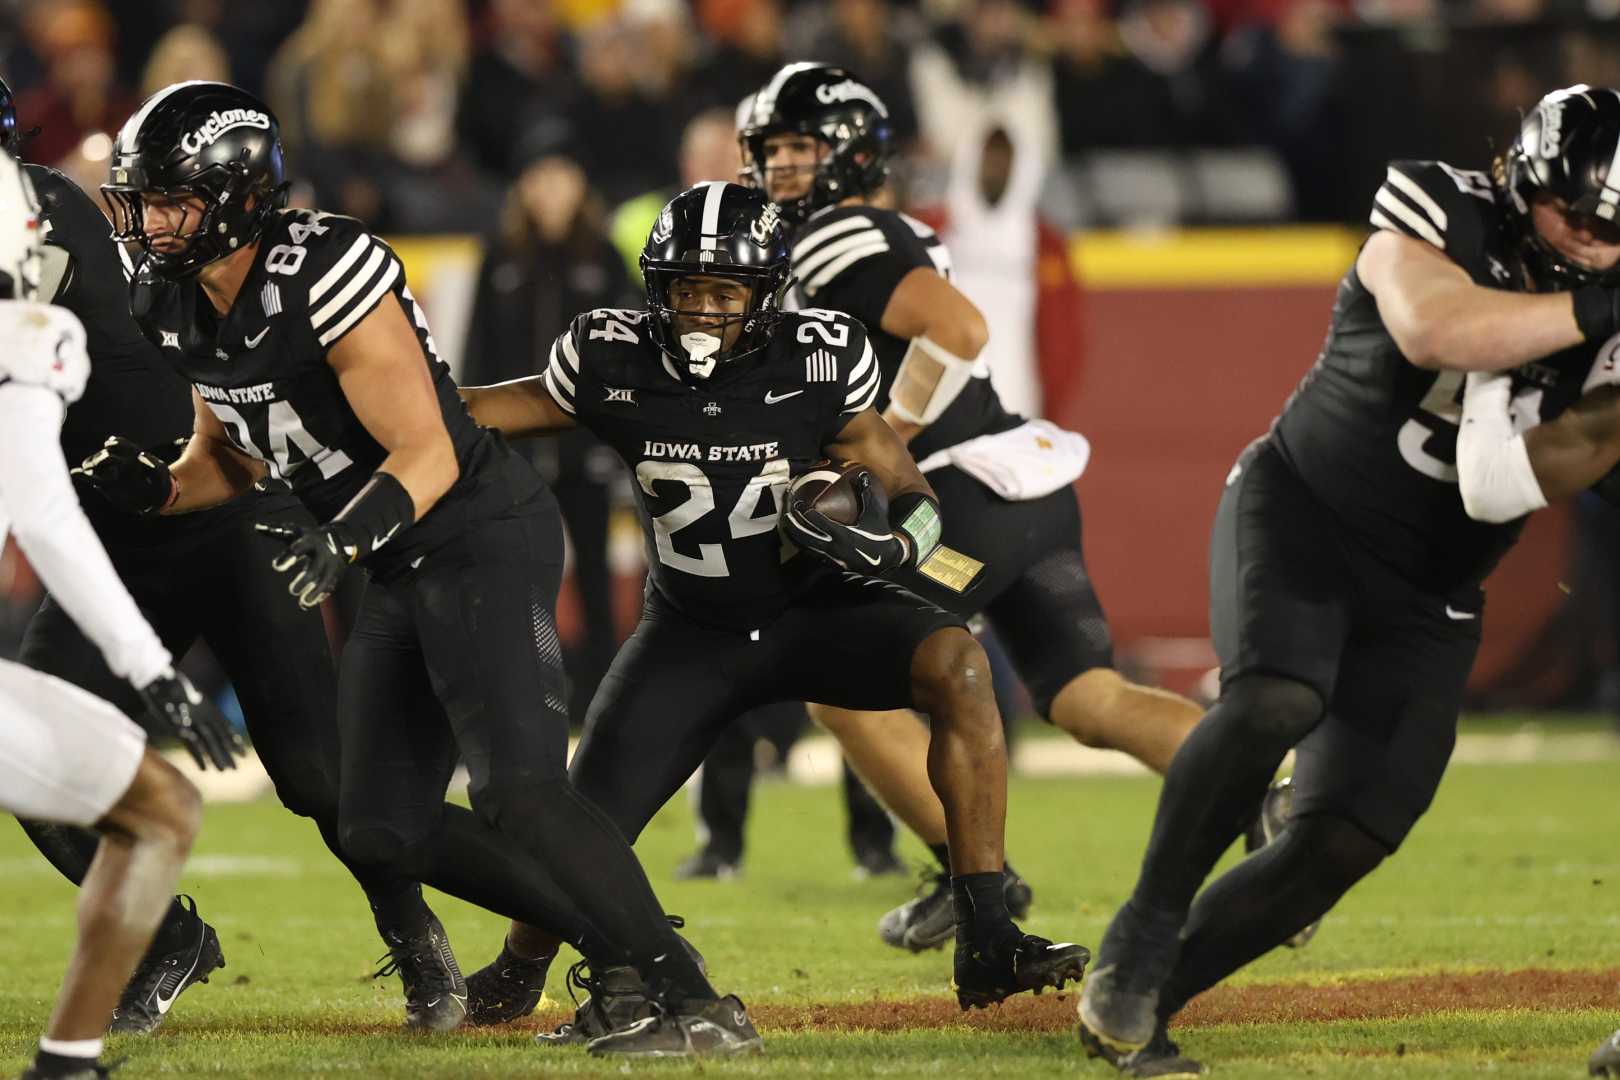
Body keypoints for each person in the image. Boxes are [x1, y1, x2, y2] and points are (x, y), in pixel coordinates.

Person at [78, 80, 755, 1056]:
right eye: (141, 199)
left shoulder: (320, 267)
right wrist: (153, 491)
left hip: (474, 528)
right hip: (393, 554)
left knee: (519, 788)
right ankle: (621, 953)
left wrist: (340, 538)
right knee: (379, 824)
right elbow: (229, 453)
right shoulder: (172, 301)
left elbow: (430, 450)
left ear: (232, 194)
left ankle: (685, 996)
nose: (148, 221)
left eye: (169, 198)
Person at [460, 181, 1089, 1042]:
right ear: (657, 287)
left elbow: (912, 489)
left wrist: (893, 547)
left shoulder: (820, 356)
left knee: (960, 664)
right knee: (584, 821)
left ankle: (987, 932)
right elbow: (484, 412)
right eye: (686, 289)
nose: (701, 311)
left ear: (766, 296)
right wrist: (390, 401)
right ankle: (520, 964)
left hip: (816, 611)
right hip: (691, 631)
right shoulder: (611, 355)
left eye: (724, 293)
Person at [1077, 84, 1620, 1076]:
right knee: (1277, 696)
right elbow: (1432, 329)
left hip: (1433, 588)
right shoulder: (1439, 203)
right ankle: (1141, 935)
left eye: (1613, 231)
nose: (1590, 240)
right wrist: (1592, 309)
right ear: (1525, 181)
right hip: (1306, 513)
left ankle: (1149, 999)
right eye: (1575, 215)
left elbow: (1503, 479)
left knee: (1347, 839)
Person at [738, 61, 1222, 954]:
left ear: (848, 153)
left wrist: (886, 434)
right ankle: (1262, 788)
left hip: (956, 491)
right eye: (771, 152)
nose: (781, 169)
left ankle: (969, 873)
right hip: (1025, 489)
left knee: (840, 694)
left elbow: (957, 330)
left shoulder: (832, 236)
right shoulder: (877, 230)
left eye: (800, 148)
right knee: (1088, 699)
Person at [0, 147, 242, 1080]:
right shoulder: (27, 330)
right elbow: (47, 518)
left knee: (154, 810)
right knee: (159, 813)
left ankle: (68, 1063)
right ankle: (67, 1064)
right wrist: (150, 668)